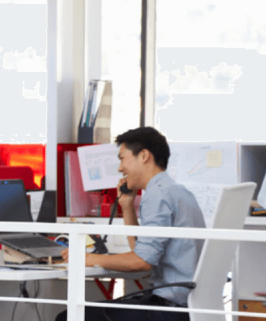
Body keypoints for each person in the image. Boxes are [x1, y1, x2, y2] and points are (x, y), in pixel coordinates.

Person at [56, 127, 205, 321]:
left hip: (168, 309)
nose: (120, 168)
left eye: (122, 158)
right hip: (187, 307)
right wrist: (127, 207)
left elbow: (141, 263)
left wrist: (88, 258)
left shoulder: (157, 194)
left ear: (143, 156)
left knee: (68, 317)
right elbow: (143, 255)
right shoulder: (178, 192)